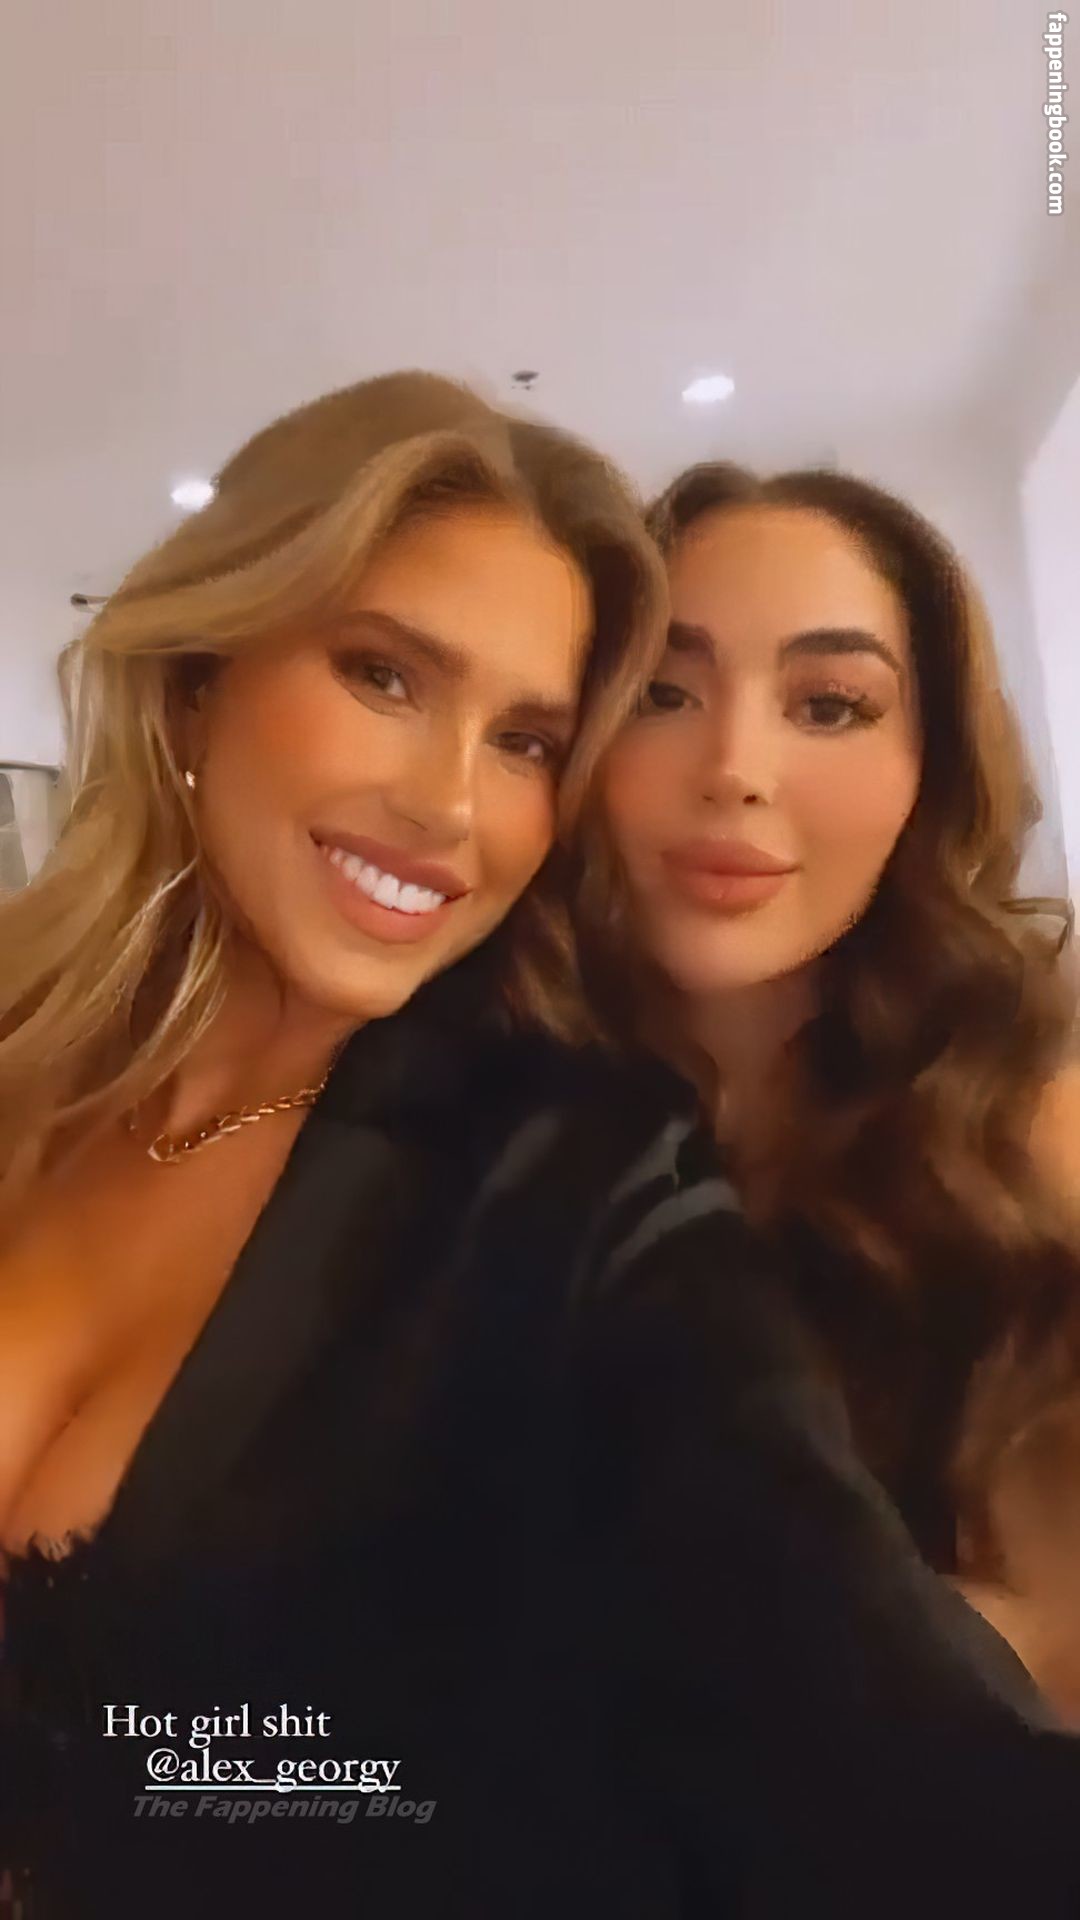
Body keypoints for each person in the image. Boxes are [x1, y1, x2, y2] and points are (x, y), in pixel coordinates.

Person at [0, 384, 1077, 1919]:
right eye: (383, 674)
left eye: (524, 739)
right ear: (195, 681)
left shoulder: (573, 1185)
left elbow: (922, 1783)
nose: (446, 802)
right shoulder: (37, 1060)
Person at [592, 457, 1080, 1725]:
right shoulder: (488, 1116)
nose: (734, 768)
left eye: (829, 705)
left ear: (933, 769)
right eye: (662, 692)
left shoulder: (1033, 1136)